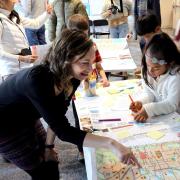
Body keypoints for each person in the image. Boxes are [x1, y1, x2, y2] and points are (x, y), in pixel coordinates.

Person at [0, 29, 140, 179]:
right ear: (66, 59)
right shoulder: (38, 80)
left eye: (91, 62)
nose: (90, 69)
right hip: (5, 125)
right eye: (85, 63)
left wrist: (49, 147)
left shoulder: (73, 76)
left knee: (50, 162)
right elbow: (63, 130)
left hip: (27, 116)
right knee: (41, 171)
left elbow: (58, 116)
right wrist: (111, 144)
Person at [129, 33, 180, 123]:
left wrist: (148, 109)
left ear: (169, 64)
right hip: (161, 119)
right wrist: (141, 102)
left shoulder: (175, 76)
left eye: (156, 68)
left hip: (175, 120)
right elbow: (150, 94)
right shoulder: (146, 70)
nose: (150, 71)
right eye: (148, 65)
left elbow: (172, 104)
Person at [0, 0, 52, 80]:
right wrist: (21, 58)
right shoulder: (1, 20)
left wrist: (47, 13)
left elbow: (35, 24)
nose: (15, 2)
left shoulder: (14, 15)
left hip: (25, 66)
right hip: (11, 70)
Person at [67, 14, 110, 88]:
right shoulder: (67, 49)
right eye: (81, 35)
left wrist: (104, 78)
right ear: (71, 33)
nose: (84, 38)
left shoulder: (92, 46)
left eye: (86, 34)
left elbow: (98, 66)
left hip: (92, 84)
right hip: (75, 88)